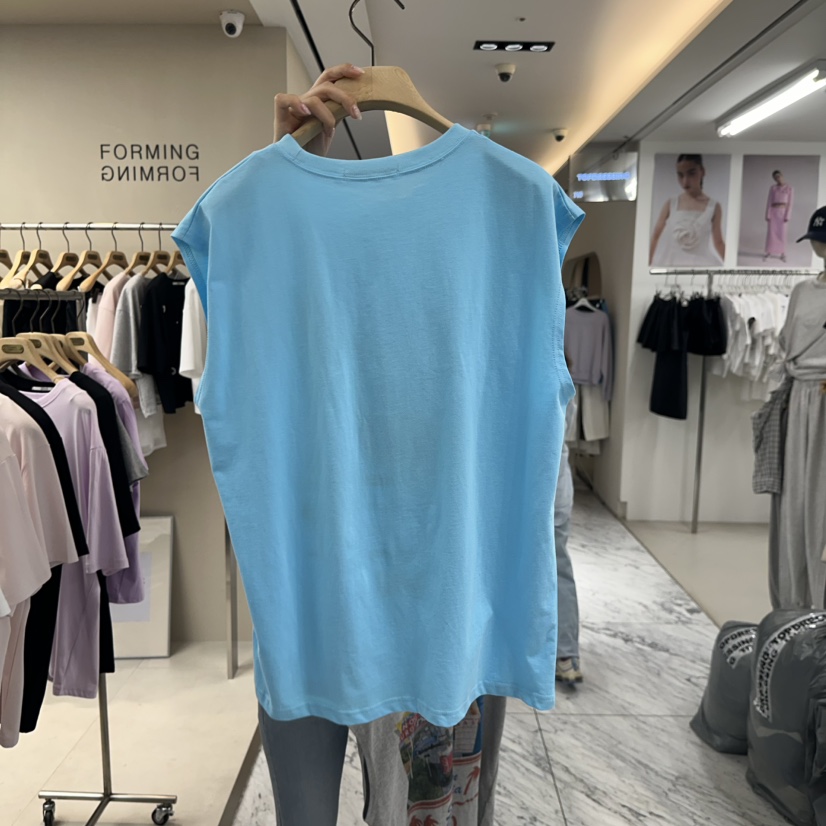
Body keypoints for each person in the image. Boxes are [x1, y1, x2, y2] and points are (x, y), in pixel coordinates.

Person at [649, 154, 726, 267]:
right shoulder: (671, 203)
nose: (685, 181)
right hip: (671, 262)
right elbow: (656, 235)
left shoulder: (714, 207)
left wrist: (732, 266)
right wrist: (646, 263)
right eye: (680, 175)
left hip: (701, 263)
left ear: (702, 171)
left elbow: (718, 242)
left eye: (691, 173)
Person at [555, 376, 582, 685]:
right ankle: (566, 656)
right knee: (559, 569)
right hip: (557, 491)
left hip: (542, 493)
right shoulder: (565, 378)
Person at [764, 170, 793, 262]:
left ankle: (782, 253)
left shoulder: (789, 188)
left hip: (783, 213)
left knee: (782, 233)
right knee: (771, 233)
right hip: (773, 212)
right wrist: (768, 214)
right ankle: (769, 252)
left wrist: (787, 215)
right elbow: (769, 201)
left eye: (779, 176)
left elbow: (790, 203)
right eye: (775, 177)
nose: (778, 178)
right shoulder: (773, 188)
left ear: (782, 176)